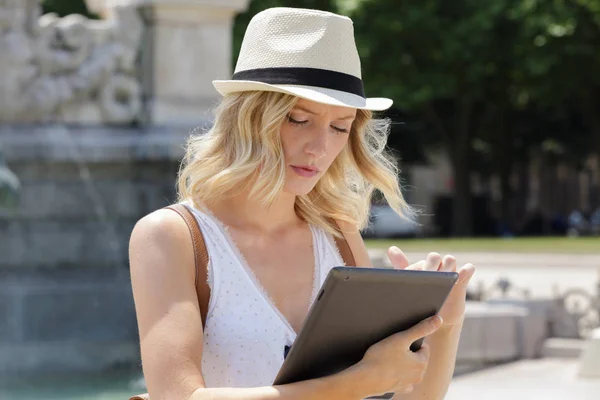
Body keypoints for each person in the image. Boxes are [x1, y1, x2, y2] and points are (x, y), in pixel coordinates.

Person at [129, 7, 475, 400]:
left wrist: (443, 323)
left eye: (339, 126)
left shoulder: (338, 235)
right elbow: (176, 397)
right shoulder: (173, 236)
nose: (319, 147)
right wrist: (355, 383)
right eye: (298, 119)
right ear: (248, 118)